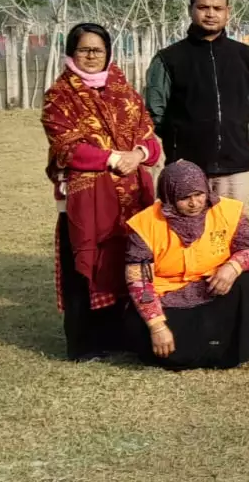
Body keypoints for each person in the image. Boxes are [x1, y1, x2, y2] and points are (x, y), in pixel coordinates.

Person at [42, 22, 162, 361]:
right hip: (87, 200)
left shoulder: (126, 92)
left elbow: (150, 141)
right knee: (86, 262)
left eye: (98, 50)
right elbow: (66, 147)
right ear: (72, 53)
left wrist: (138, 154)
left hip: (132, 197)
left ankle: (122, 335)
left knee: (127, 260)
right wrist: (111, 158)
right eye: (85, 50)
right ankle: (85, 343)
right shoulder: (59, 96)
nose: (92, 56)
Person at [124, 161, 249, 370]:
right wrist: (157, 326)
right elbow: (139, 281)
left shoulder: (228, 211)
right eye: (184, 198)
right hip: (167, 298)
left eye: (199, 194)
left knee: (242, 279)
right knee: (169, 351)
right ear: (169, 196)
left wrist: (232, 267)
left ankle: (232, 347)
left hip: (212, 287)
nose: (194, 203)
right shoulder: (145, 224)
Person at [144, 0, 249, 200]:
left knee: (231, 222)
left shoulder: (246, 56)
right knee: (184, 221)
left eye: (217, 8)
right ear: (191, 10)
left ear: (228, 12)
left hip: (235, 166)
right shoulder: (169, 58)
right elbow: (155, 111)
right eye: (203, 7)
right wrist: (180, 142)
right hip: (185, 166)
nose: (210, 14)